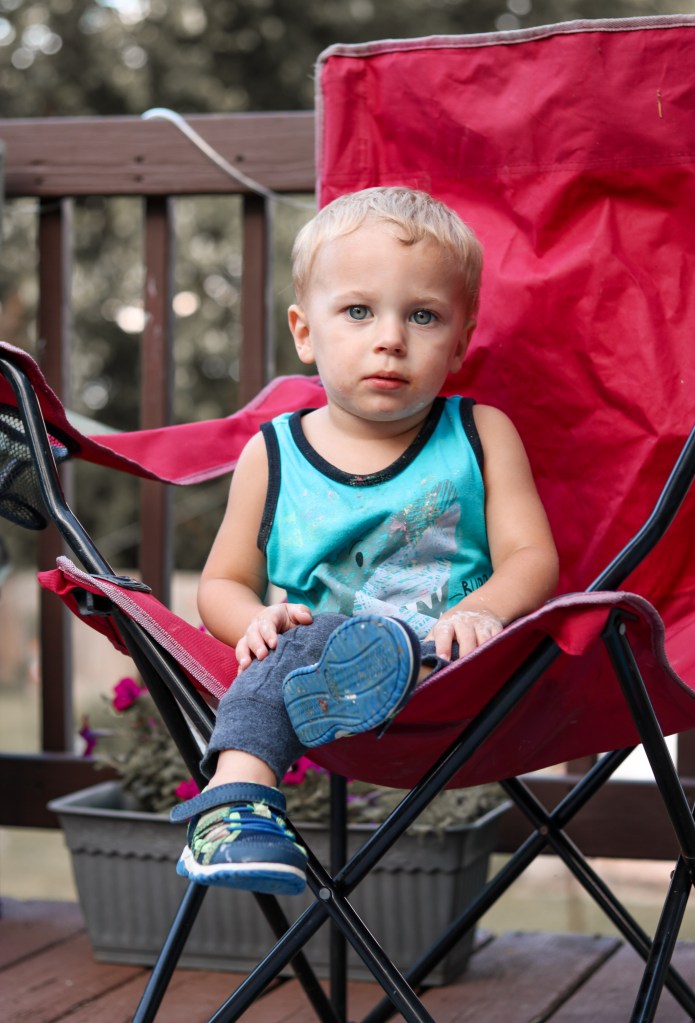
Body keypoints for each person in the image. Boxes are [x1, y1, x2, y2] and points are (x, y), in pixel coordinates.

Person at [171, 186, 559, 895]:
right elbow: (220, 583)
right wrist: (251, 620)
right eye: (357, 311)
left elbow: (532, 557)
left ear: (461, 339)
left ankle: (369, 679)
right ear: (304, 331)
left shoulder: (479, 434)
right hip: (308, 672)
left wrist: (482, 612)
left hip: (449, 671)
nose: (390, 337)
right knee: (296, 648)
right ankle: (233, 806)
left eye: (422, 315)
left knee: (418, 647)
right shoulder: (273, 453)